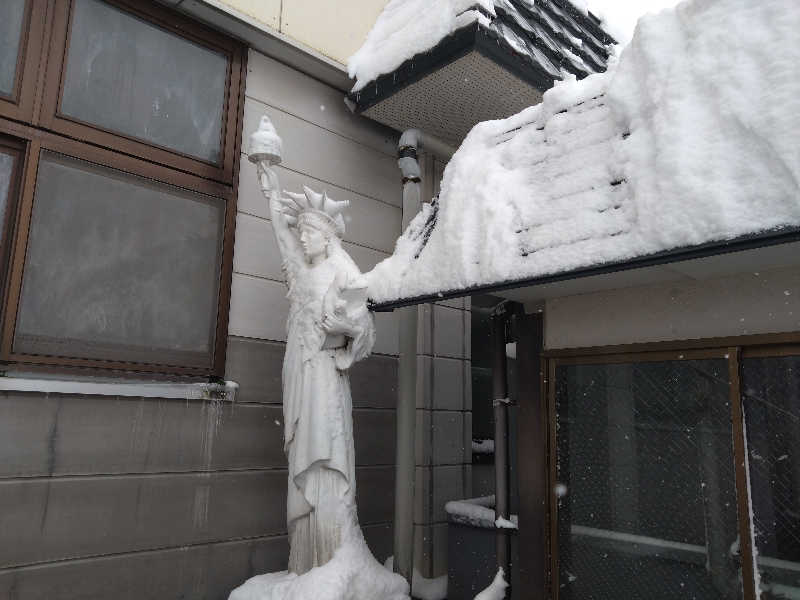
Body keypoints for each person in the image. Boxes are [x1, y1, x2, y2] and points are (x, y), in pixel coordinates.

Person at [259, 166, 374, 575]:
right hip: (300, 372)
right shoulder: (302, 271)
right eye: (302, 231)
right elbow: (281, 236)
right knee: (302, 447)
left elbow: (365, 331)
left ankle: (332, 555)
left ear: (327, 237)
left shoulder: (344, 273)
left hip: (326, 374)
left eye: (309, 232)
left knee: (327, 446)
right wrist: (271, 193)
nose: (302, 237)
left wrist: (344, 329)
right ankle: (305, 561)